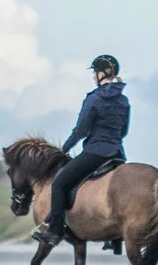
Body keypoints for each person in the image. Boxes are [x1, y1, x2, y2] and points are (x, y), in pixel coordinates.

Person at [36, 54, 129, 245]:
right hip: (117, 155)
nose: (93, 76)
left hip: (95, 153)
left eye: (95, 72)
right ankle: (116, 239)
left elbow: (81, 130)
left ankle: (54, 231)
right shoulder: (123, 100)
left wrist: (65, 148)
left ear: (103, 73)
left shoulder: (94, 99)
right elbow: (124, 131)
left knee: (59, 184)